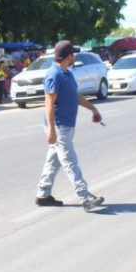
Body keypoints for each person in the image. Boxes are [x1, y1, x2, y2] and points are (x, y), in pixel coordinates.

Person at [36, 41, 105, 211]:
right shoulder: (54, 75)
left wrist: (93, 109)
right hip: (59, 126)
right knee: (70, 161)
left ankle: (43, 195)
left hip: (66, 124)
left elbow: (75, 96)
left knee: (53, 161)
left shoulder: (67, 73)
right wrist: (52, 130)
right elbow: (49, 104)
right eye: (72, 54)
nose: (74, 56)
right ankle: (85, 197)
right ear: (68, 57)